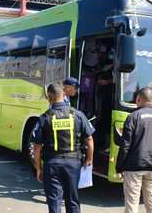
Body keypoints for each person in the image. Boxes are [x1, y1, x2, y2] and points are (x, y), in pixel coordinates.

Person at [33, 82, 94, 213]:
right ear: (64, 94)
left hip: (52, 164)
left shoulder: (45, 117)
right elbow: (89, 139)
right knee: (72, 200)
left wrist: (38, 168)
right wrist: (89, 159)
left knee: (54, 202)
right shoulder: (77, 114)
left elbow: (37, 147)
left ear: (49, 97)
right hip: (73, 164)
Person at [115, 87, 152, 213]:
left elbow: (125, 144)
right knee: (151, 200)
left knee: (132, 202)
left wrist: (119, 166)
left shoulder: (133, 117)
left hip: (134, 166)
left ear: (138, 99)